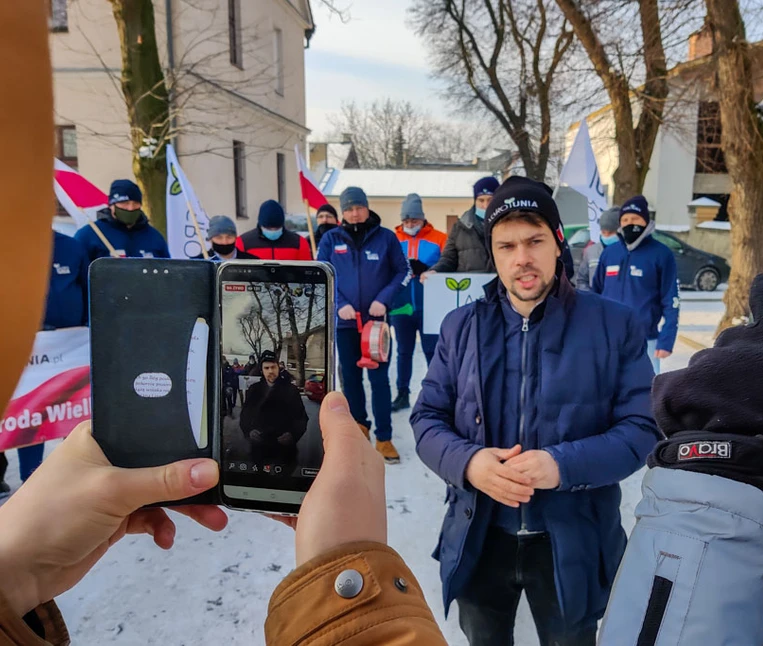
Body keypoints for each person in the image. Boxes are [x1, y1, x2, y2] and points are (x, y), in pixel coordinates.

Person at [2, 7, 445, 643]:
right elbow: (244, 404)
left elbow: (304, 399)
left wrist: (11, 576)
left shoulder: (359, 248)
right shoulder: (262, 328)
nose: (269, 368)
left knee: (349, 402)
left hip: (337, 370)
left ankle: (375, 429)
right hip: (284, 397)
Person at [411, 176, 659, 645]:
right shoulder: (460, 327)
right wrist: (468, 463)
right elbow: (426, 420)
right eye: (506, 246)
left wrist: (561, 465)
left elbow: (642, 426)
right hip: (481, 537)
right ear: (492, 253)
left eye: (534, 241)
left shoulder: (614, 325)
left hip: (573, 542)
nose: (521, 258)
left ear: (557, 242)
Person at [317, 186, 412, 465]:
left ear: (367, 207)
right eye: (348, 209)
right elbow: (322, 273)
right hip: (345, 324)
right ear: (342, 212)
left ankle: (384, 437)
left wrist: (383, 300)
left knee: (379, 380)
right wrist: (339, 303)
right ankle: (360, 429)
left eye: (358, 207)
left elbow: (403, 271)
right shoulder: (331, 239)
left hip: (376, 325)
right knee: (351, 379)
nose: (354, 214)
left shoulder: (386, 238)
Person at [0, 230, 89, 498]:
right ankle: (32, 482)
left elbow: (85, 291)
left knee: (72, 414)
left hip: (69, 348)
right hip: (27, 348)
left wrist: (85, 332)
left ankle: (76, 475)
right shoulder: (11, 244)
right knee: (31, 415)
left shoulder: (71, 247)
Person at [424, 176, 574, 281]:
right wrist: (436, 271)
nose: (484, 205)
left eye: (489, 200)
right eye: (480, 200)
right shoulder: (460, 227)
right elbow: (448, 259)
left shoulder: (514, 224)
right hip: (470, 292)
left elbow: (564, 264)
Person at [591, 195, 679, 374]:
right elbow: (594, 295)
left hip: (644, 340)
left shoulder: (661, 254)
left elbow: (671, 301)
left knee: (645, 394)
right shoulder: (610, 253)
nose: (630, 223)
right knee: (605, 394)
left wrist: (666, 340)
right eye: (625, 219)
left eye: (635, 219)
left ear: (646, 221)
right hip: (608, 339)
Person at [392, 193, 447, 412]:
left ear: (422, 219)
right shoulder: (393, 239)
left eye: (414, 221)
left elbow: (448, 262)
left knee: (432, 351)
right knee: (403, 352)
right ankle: (402, 393)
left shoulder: (439, 238)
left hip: (430, 306)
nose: (410, 225)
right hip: (401, 306)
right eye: (406, 221)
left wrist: (429, 268)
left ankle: (436, 395)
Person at [73, 179, 171, 262]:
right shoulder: (90, 235)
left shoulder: (154, 237)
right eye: (124, 203)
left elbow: (167, 274)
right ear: (112, 205)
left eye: (135, 203)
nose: (130, 208)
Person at [239, 351, 309, 466]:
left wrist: (292, 435)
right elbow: (245, 415)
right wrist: (249, 431)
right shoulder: (253, 390)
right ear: (261, 370)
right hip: (259, 448)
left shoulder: (291, 390)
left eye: (273, 367)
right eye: (266, 368)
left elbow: (301, 418)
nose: (270, 371)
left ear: (278, 368)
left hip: (284, 450)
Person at [237, 200, 312, 261]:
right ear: (260, 225)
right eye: (268, 228)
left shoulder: (299, 243)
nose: (273, 231)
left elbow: (306, 273)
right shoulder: (243, 243)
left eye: (277, 228)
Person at [575, 207, 620, 291]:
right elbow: (581, 279)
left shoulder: (627, 253)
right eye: (603, 232)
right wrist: (590, 297)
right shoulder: (591, 251)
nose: (606, 236)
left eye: (610, 233)